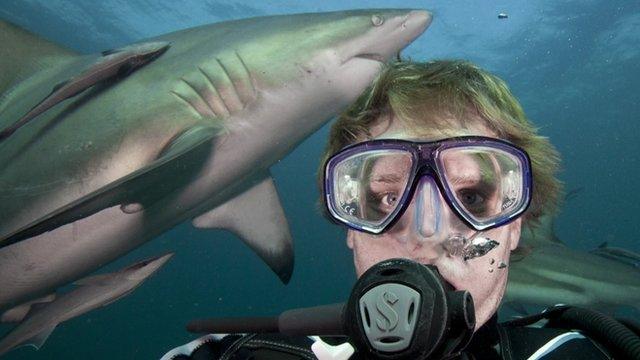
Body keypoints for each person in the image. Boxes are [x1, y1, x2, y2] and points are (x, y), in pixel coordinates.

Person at [162, 60, 626, 359]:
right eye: (386, 196)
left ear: (518, 224)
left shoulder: (604, 350)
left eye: (470, 197)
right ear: (348, 225)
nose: (426, 231)